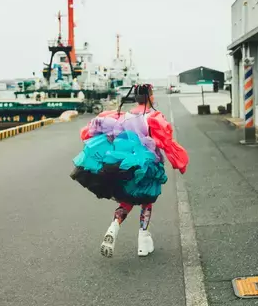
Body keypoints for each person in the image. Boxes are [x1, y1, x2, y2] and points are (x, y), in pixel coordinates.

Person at [70, 84, 189, 257]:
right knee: (147, 200)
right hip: (148, 165)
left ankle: (114, 226)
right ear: (150, 97)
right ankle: (143, 240)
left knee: (127, 201)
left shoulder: (124, 116)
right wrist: (179, 162)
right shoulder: (153, 116)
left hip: (126, 164)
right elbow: (166, 142)